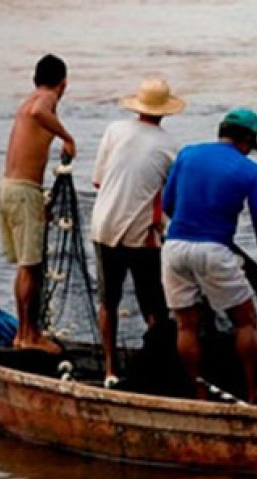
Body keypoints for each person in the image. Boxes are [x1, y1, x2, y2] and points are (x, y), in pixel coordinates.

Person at [160, 108, 257, 402]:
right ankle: (252, 390)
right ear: (247, 140)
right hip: (215, 250)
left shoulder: (187, 154)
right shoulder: (250, 170)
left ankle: (198, 392)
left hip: (174, 246)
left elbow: (168, 203)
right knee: (245, 322)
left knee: (186, 325)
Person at [90, 78, 185, 385]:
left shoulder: (114, 131)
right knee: (154, 305)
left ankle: (110, 369)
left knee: (109, 301)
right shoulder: (171, 146)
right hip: (141, 234)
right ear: (165, 111)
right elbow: (171, 198)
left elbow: (99, 181)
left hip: (103, 225)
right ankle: (155, 367)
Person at [0, 54, 76, 352]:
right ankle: (29, 336)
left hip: (8, 188)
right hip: (22, 192)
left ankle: (24, 334)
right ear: (63, 83)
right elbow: (40, 110)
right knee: (31, 266)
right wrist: (67, 138)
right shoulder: (44, 99)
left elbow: (35, 112)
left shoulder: (28, 100)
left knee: (26, 266)